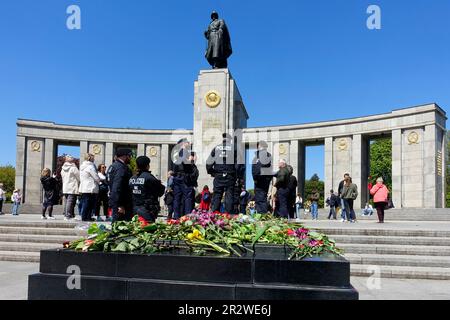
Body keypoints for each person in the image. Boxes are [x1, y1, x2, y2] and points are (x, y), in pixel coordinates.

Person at [207, 133, 244, 214]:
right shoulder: (234, 148)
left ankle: (214, 215)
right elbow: (239, 163)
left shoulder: (216, 148)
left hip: (218, 175)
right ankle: (228, 215)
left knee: (217, 195)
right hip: (230, 175)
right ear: (230, 140)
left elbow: (209, 163)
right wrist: (237, 174)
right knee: (229, 195)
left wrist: (212, 172)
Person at [129, 156, 166, 222]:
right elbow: (160, 192)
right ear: (147, 165)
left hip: (133, 209)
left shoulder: (132, 178)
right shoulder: (149, 177)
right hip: (147, 210)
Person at [108, 148, 133, 222]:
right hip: (121, 203)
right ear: (124, 156)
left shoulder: (112, 166)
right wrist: (119, 204)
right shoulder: (121, 168)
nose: (130, 158)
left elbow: (109, 182)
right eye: (129, 156)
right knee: (121, 226)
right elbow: (117, 186)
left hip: (114, 200)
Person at [172, 139, 194, 219]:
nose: (189, 143)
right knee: (188, 198)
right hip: (184, 177)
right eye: (188, 142)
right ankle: (188, 218)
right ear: (183, 144)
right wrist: (190, 160)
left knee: (177, 199)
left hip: (177, 177)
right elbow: (185, 161)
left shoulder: (176, 153)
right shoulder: (184, 151)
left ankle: (176, 217)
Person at [252, 141, 273, 214]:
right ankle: (261, 214)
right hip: (261, 180)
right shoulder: (263, 156)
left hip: (261, 180)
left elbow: (259, 168)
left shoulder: (262, 155)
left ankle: (262, 215)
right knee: (260, 198)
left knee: (260, 199)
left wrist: (256, 178)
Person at [79, 153, 100, 222]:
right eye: (93, 158)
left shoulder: (82, 166)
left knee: (86, 203)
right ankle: (86, 217)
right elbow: (96, 177)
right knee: (89, 203)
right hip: (90, 187)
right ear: (89, 158)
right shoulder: (90, 167)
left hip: (84, 187)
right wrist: (99, 181)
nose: (94, 159)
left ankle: (86, 217)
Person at [61, 155, 80, 221]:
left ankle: (67, 215)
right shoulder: (73, 168)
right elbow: (79, 176)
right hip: (72, 187)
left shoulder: (63, 168)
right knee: (70, 202)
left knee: (66, 202)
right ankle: (68, 215)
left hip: (65, 186)